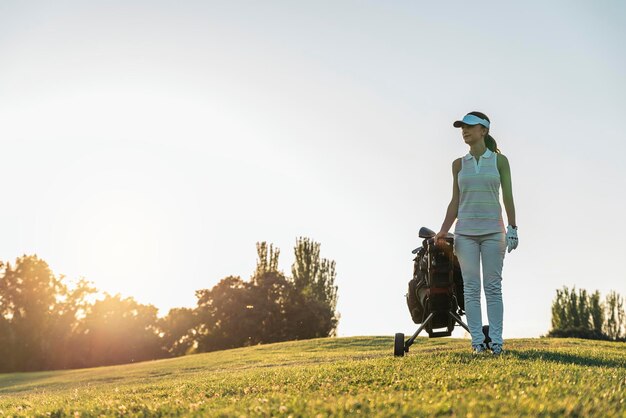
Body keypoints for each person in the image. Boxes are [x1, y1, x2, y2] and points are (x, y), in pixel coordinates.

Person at [433, 111, 518, 356]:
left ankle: (498, 343)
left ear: (484, 130)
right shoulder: (458, 164)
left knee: (493, 288)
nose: (465, 131)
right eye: (462, 127)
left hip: (494, 231)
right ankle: (478, 344)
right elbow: (455, 201)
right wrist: (443, 230)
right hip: (465, 234)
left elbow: (508, 196)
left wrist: (513, 227)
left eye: (470, 126)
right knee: (470, 288)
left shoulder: (500, 161)